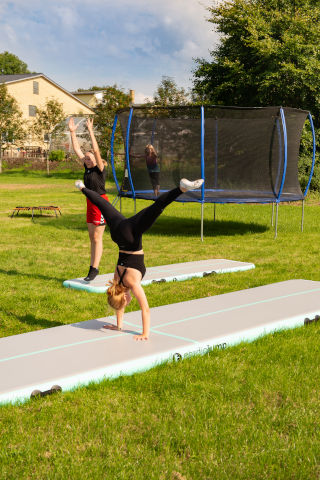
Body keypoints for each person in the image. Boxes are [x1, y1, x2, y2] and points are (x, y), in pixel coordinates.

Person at [74, 177, 204, 340]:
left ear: (125, 297)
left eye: (126, 302)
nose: (128, 303)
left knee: (157, 207)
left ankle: (182, 189)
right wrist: (118, 325)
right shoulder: (116, 282)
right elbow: (119, 303)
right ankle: (82, 188)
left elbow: (146, 309)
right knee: (102, 204)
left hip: (131, 235)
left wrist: (145, 333)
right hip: (118, 233)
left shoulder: (131, 283)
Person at [69, 117, 109, 282]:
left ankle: (94, 268)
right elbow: (77, 149)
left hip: (100, 203)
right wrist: (72, 133)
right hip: (89, 203)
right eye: (85, 157)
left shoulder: (100, 168)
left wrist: (90, 131)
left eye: (89, 157)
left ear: (95, 159)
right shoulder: (86, 168)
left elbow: (96, 150)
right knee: (92, 237)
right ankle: (92, 267)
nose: (86, 158)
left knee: (97, 238)